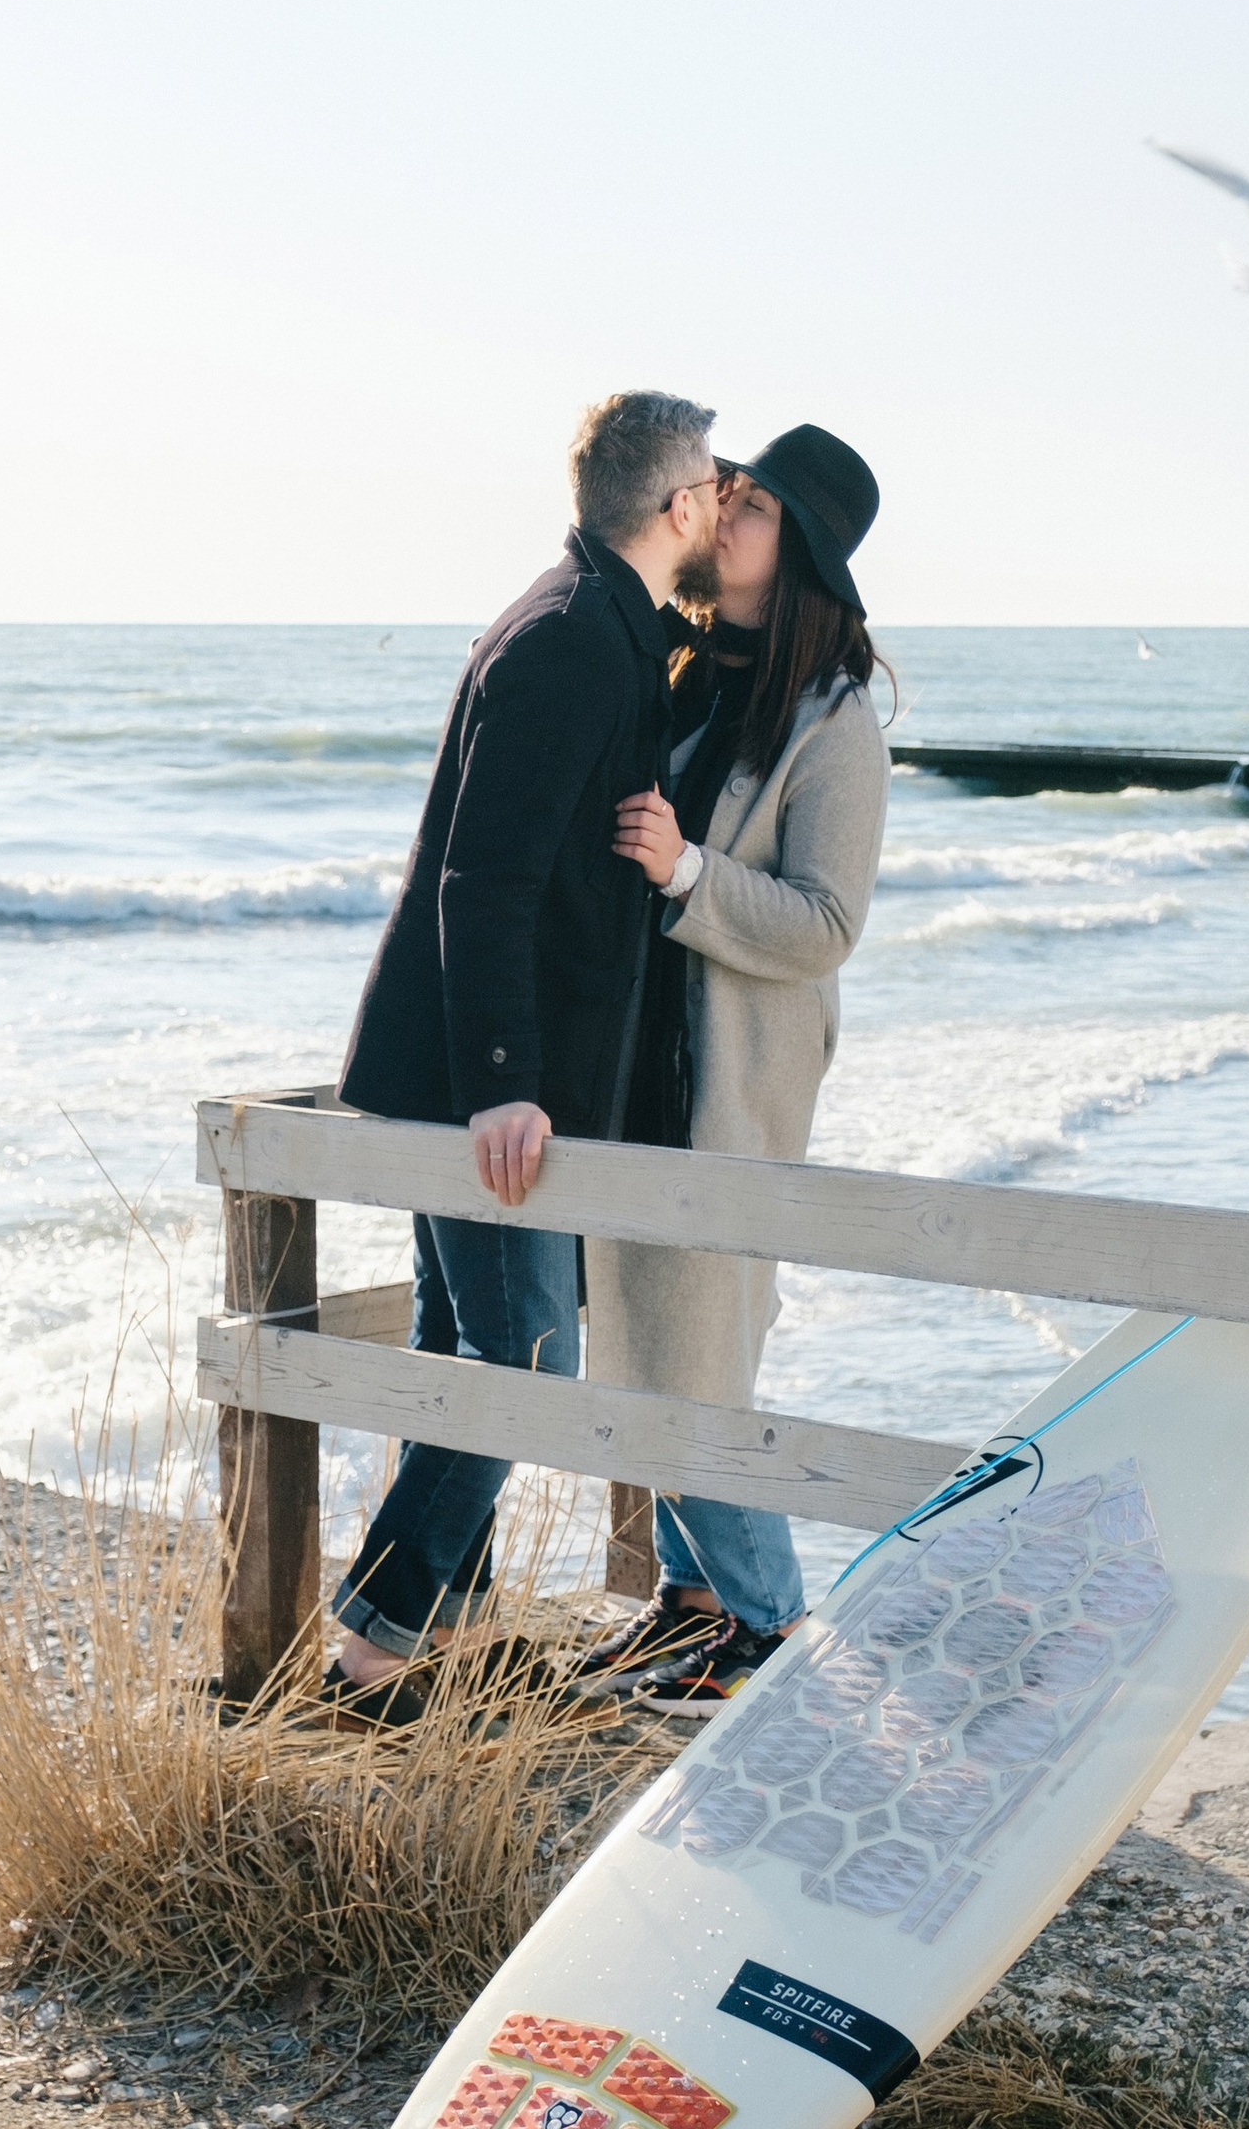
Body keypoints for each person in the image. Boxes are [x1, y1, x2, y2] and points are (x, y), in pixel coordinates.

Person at [324, 390, 725, 1716]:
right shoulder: (567, 639)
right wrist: (503, 1080)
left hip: (477, 1073)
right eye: (713, 484)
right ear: (676, 507)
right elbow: (481, 880)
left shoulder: (601, 622)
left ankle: (440, 1625)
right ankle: (380, 1636)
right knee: (527, 1361)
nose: (722, 502)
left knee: (465, 1343)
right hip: (482, 1085)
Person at [576, 422, 891, 1705]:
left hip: (732, 1076)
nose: (721, 511)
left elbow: (826, 925)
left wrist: (687, 872)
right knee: (642, 1340)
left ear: (799, 554)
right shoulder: (681, 669)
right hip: (637, 1059)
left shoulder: (834, 725)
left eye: (750, 504)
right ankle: (689, 1604)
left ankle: (773, 1633)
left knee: (694, 1360)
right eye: (726, 490)